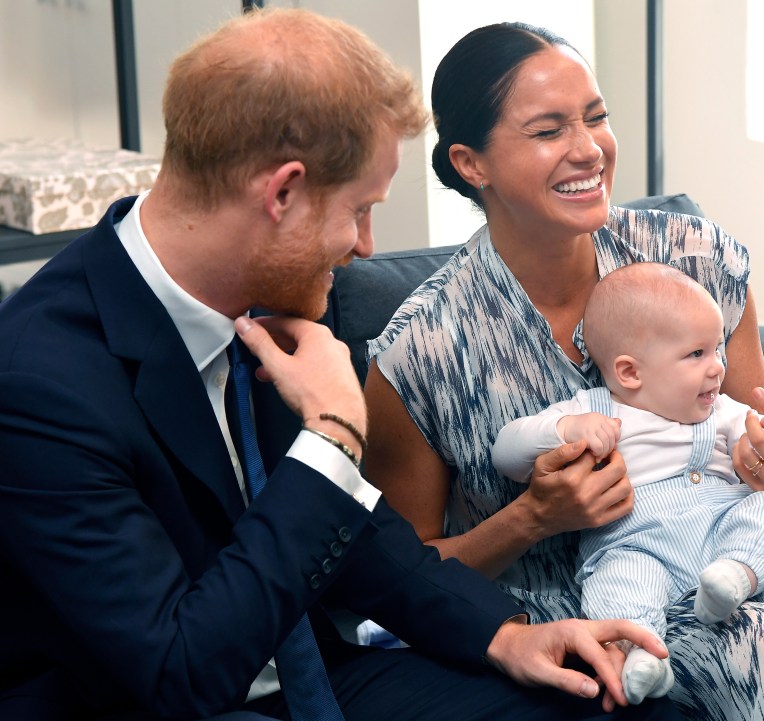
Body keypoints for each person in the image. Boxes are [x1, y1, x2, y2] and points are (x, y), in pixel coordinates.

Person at [0, 9, 683, 721]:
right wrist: (329, 440)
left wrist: (507, 634)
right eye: (360, 209)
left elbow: (363, 535)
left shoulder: (279, 292)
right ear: (283, 192)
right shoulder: (40, 385)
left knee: (617, 705)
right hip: (158, 695)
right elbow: (179, 670)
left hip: (316, 676)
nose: (365, 245)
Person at [363, 20, 764, 720]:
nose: (589, 149)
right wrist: (531, 518)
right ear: (471, 163)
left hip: (745, 548)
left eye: (596, 117)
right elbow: (399, 579)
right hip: (601, 597)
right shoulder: (420, 350)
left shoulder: (693, 257)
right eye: (549, 130)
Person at [493, 262, 764, 704]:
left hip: (722, 528)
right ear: (630, 373)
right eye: (696, 354)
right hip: (635, 544)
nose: (718, 368)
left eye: (717, 350)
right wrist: (566, 429)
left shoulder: (720, 411)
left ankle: (735, 577)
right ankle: (643, 655)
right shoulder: (592, 410)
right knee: (617, 582)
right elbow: (506, 453)